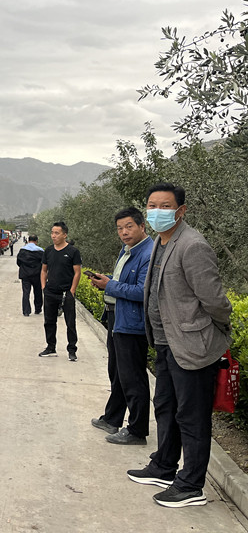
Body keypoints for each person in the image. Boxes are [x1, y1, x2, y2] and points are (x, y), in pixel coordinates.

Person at [126, 183, 232, 508]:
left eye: (165, 206)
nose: (157, 212)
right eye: (152, 206)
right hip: (165, 343)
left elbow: (215, 301)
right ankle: (163, 466)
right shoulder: (161, 242)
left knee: (192, 416)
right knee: (166, 406)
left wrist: (215, 331)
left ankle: (190, 485)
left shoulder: (192, 245)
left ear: (181, 211)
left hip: (191, 346)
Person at [88, 207, 153, 445]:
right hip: (117, 317)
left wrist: (110, 286)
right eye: (119, 228)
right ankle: (112, 418)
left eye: (129, 227)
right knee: (117, 372)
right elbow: (121, 282)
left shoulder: (148, 253)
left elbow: (143, 292)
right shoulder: (127, 250)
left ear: (141, 226)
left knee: (133, 377)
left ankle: (137, 430)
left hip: (132, 323)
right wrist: (105, 282)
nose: (124, 232)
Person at [39, 221, 82, 361]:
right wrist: (44, 287)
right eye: (52, 233)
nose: (53, 236)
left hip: (66, 293)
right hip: (50, 292)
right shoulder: (48, 251)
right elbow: (44, 270)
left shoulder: (73, 251)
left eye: (57, 233)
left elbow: (77, 272)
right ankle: (51, 347)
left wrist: (72, 291)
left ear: (65, 235)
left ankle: (72, 350)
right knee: (49, 321)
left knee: (70, 323)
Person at [17, 235, 44, 317]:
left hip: (25, 274)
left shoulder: (22, 251)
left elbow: (18, 262)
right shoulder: (40, 251)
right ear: (36, 241)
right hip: (37, 274)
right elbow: (44, 263)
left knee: (26, 292)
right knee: (38, 292)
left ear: (28, 241)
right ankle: (38, 309)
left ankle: (26, 311)